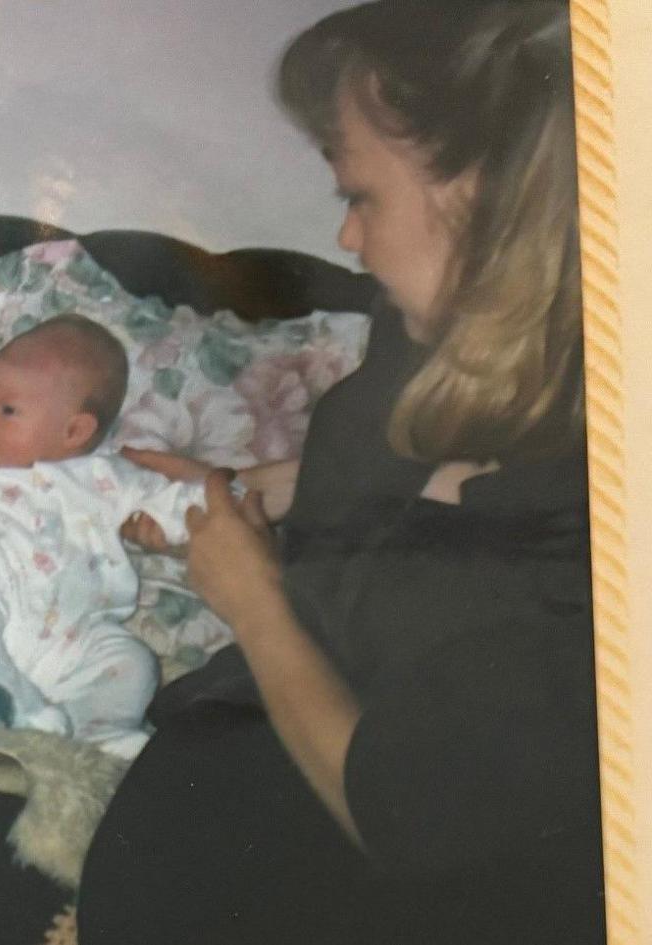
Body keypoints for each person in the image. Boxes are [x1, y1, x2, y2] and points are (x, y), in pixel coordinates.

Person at [78, 2, 602, 943]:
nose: (350, 242)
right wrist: (250, 487)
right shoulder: (424, 342)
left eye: (359, 196)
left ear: (496, 202)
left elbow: (401, 810)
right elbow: (398, 497)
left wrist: (254, 599)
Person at [0, 318, 205, 755]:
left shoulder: (110, 479)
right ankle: (10, 704)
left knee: (130, 660)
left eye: (7, 410)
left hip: (73, 639)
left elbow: (182, 502)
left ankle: (100, 730)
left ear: (75, 431)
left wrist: (177, 519)